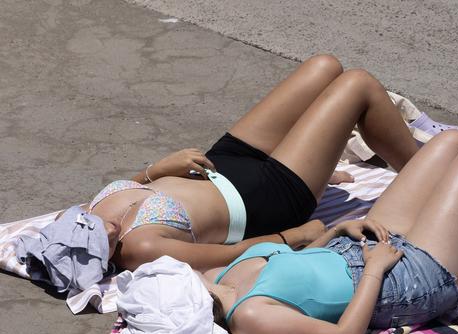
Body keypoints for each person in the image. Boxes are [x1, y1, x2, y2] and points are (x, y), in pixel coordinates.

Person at [202, 129, 458, 334]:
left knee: (452, 142)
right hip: (403, 282)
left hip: (358, 245)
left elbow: (298, 271)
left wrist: (335, 233)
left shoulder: (214, 277)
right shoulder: (249, 317)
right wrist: (373, 269)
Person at [82, 54, 427, 271]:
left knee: (324, 67)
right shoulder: (141, 249)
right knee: (358, 85)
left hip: (222, 161)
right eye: (100, 246)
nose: (106, 231)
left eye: (90, 231)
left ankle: (320, 160)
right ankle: (430, 175)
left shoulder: (85, 217)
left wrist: (156, 170)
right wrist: (291, 237)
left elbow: (130, 189)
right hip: (268, 197)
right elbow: (231, 255)